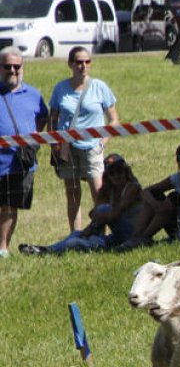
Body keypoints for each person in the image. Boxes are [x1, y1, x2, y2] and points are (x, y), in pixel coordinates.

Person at [48, 46, 119, 233]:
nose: (83, 66)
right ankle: (75, 233)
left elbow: (114, 120)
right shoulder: (60, 88)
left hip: (92, 148)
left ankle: (103, 232)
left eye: (87, 62)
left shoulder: (100, 87)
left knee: (98, 192)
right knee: (72, 193)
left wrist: (101, 143)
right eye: (79, 62)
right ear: (70, 64)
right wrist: (54, 143)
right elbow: (52, 117)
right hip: (67, 147)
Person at [20, 154, 142, 255]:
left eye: (120, 170)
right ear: (107, 175)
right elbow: (97, 215)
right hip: (117, 237)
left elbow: (114, 214)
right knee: (76, 235)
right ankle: (45, 250)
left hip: (133, 236)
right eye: (112, 172)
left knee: (78, 238)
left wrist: (95, 220)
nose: (117, 175)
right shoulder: (106, 190)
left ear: (126, 171)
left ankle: (50, 252)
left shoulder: (132, 188)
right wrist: (89, 228)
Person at [0, 46, 48, 258]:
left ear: (22, 67)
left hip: (20, 162)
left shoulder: (33, 95)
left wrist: (30, 140)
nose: (12, 70)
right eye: (7, 66)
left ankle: (3, 248)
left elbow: (42, 119)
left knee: (10, 207)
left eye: (16, 66)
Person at [123, 143, 180, 247]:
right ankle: (137, 237)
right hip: (176, 221)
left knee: (172, 197)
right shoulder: (177, 178)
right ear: (178, 163)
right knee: (156, 195)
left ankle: (143, 238)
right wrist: (155, 204)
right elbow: (146, 191)